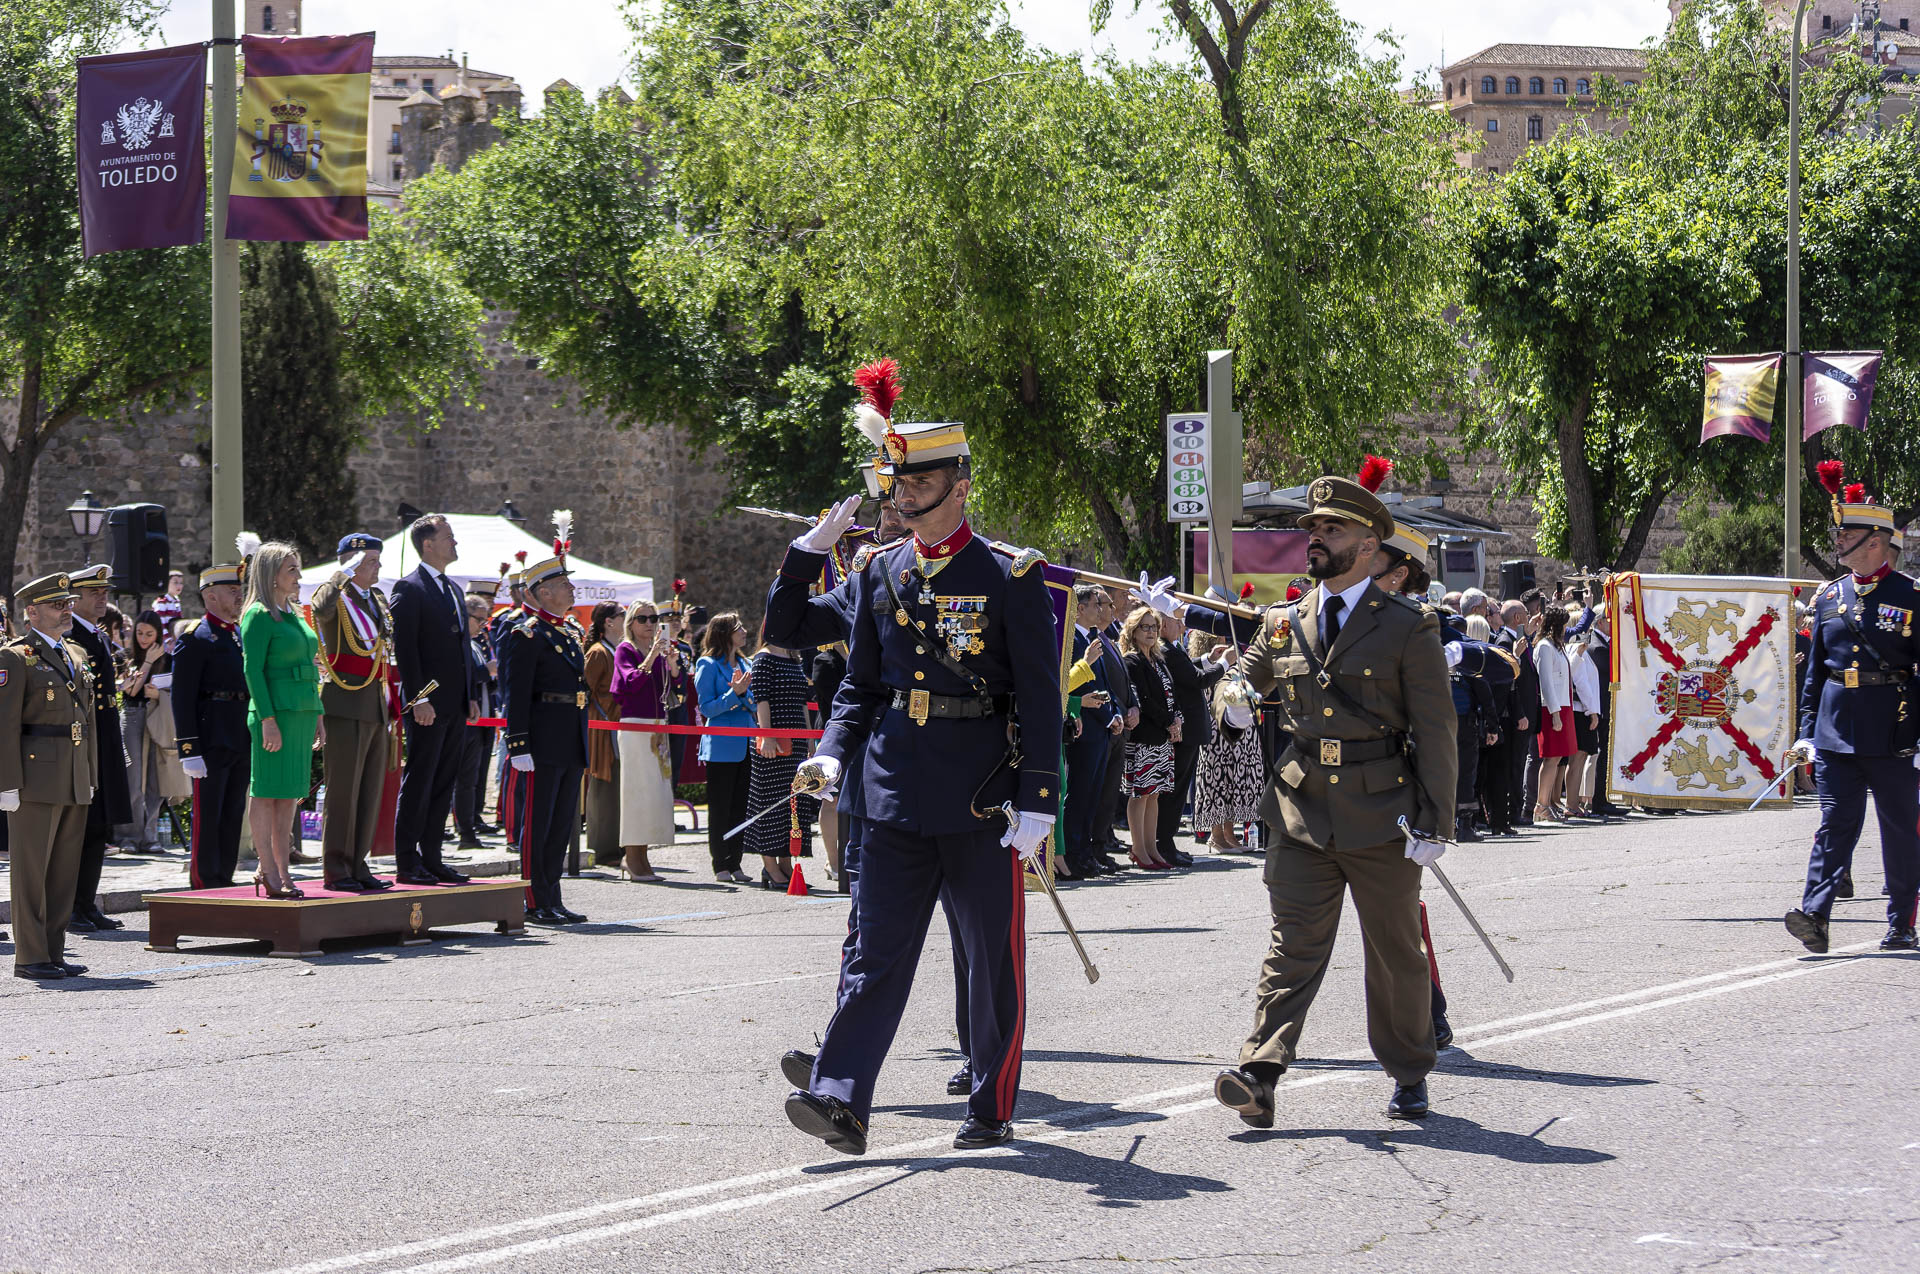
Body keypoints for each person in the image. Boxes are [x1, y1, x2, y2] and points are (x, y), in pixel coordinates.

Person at [782, 408, 1059, 1156]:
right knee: (875, 952)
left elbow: (1039, 695)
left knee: (989, 960)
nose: (904, 497)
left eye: (922, 481)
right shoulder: (880, 570)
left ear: (961, 485)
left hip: (981, 796)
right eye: (896, 482)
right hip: (896, 788)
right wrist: (836, 750)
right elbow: (860, 689)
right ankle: (840, 1098)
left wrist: (1039, 800)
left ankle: (991, 1102)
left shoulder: (1012, 573)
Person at [1210, 474, 1457, 1127]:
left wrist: (1437, 819)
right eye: (1313, 528)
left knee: (1395, 951)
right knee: (1292, 945)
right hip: (1300, 809)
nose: (1315, 538)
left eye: (1332, 529)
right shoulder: (1284, 622)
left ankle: (1409, 1070)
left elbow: (1436, 730)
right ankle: (1260, 1073)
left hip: (1382, 811)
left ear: (1370, 542)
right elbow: (1239, 681)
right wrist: (1230, 701)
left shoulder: (1408, 626)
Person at [1786, 474, 1920, 953]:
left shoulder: (1910, 597)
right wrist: (1805, 732)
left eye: (1846, 534)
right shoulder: (1831, 599)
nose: (1838, 540)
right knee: (1834, 825)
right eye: (1839, 533)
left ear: (1877, 541)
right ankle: (1815, 917)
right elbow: (1816, 675)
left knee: (1899, 830)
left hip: (1892, 731)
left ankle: (1901, 922)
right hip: (1834, 732)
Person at [1, 573, 98, 980]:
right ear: (32, 611)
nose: (67, 611)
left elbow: (88, 721)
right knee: (31, 870)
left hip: (73, 773)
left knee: (62, 870)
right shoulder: (15, 656)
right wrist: (6, 783)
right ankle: (30, 956)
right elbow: (4, 725)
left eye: (68, 603)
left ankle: (54, 951)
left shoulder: (76, 653)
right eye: (58, 605)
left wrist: (90, 773)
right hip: (34, 776)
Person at [502, 552, 591, 925]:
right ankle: (533, 898)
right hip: (541, 739)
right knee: (537, 823)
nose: (572, 589)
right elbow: (515, 693)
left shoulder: (569, 633)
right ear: (544, 591)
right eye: (565, 585)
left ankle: (552, 895)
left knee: (560, 824)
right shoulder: (526, 634)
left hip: (569, 736)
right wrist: (518, 744)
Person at [309, 533, 399, 893]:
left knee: (369, 790)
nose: (377, 568)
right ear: (352, 564)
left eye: (377, 561)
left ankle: (359, 863)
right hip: (345, 703)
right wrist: (339, 574)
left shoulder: (375, 597)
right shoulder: (335, 595)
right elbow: (320, 609)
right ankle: (336, 866)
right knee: (343, 790)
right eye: (370, 562)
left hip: (376, 703)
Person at [390, 514, 478, 886]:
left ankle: (433, 857)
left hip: (455, 703)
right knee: (421, 779)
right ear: (428, 544)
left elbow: (462, 647)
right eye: (449, 537)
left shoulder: (454, 589)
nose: (454, 543)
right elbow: (406, 650)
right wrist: (417, 699)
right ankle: (408, 861)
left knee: (444, 780)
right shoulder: (409, 587)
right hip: (427, 705)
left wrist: (470, 695)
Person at [239, 542, 323, 900]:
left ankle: (282, 869)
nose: (299, 576)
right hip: (275, 714)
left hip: (302, 713)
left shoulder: (293, 614)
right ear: (272, 575)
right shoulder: (258, 615)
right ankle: (268, 870)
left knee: (289, 794)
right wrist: (268, 718)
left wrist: (317, 714)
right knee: (267, 792)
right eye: (291, 569)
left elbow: (311, 669)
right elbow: (253, 671)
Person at [172, 564, 251, 889]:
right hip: (211, 737)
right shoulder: (196, 637)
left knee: (233, 812)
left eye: (239, 590)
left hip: (240, 733)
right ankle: (205, 879)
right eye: (232, 591)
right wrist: (188, 748)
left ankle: (225, 876)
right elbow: (182, 696)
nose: (238, 596)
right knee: (209, 814)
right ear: (210, 596)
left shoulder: (239, 634)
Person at [62, 565, 130, 933]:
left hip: (102, 736)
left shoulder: (97, 635)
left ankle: (86, 903)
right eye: (94, 593)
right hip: (85, 737)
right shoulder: (72, 636)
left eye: (104, 592)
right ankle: (72, 905)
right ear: (74, 600)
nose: (102, 597)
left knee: (98, 826)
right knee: (81, 826)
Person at [611, 599, 678, 883]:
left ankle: (643, 855)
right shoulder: (625, 650)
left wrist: (672, 664)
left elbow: (673, 689)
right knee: (636, 792)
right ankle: (632, 855)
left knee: (655, 793)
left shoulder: (658, 653)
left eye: (653, 619)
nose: (649, 624)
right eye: (642, 619)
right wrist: (651, 656)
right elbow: (628, 684)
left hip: (658, 725)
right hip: (636, 726)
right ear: (631, 624)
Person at [744, 633, 815, 888]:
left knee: (792, 806)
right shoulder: (764, 659)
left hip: (796, 740)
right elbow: (761, 699)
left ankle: (786, 861)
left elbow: (803, 703)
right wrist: (768, 735)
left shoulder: (793, 659)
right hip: (773, 741)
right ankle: (770, 867)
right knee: (771, 803)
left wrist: (809, 738)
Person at [1157, 610, 1222, 867]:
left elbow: (1188, 668)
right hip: (1184, 731)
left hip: (1188, 730)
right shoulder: (1167, 649)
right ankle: (1164, 841)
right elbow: (1196, 680)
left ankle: (1166, 841)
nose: (1181, 624)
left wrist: (1208, 659)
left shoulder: (1171, 648)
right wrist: (1224, 664)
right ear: (1164, 625)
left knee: (1178, 788)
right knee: (1174, 791)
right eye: (1176, 620)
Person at [1064, 585, 1121, 876]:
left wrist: (1117, 713)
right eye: (1095, 604)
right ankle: (1076, 854)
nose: (1100, 610)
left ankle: (1086, 851)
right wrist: (1108, 716)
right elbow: (1082, 686)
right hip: (1083, 727)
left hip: (1101, 728)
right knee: (1080, 793)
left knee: (1093, 795)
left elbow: (1105, 684)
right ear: (1079, 608)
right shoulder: (1071, 639)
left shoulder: (1094, 637)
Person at [694, 612, 755, 883]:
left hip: (746, 743)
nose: (744, 631)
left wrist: (744, 697)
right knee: (720, 807)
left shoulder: (746, 662)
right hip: (720, 747)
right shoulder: (707, 664)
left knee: (740, 807)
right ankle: (720, 863)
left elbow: (755, 702)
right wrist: (735, 695)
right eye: (737, 627)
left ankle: (736, 862)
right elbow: (708, 708)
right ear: (724, 633)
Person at [1190, 628, 1263, 849]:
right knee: (1218, 782)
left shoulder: (1232, 659)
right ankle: (1216, 835)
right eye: (1221, 637)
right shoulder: (1205, 665)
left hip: (1238, 728)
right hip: (1217, 730)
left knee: (1234, 781)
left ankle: (1229, 834)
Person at [1120, 605, 1181, 869]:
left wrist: (1177, 718)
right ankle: (1138, 849)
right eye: (1144, 627)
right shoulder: (1133, 661)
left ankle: (1152, 848)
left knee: (1154, 794)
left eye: (1154, 627)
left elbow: (1170, 697)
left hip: (1162, 738)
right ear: (1133, 632)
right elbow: (1143, 699)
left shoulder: (1158, 660)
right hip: (1144, 737)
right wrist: (1169, 722)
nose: (1151, 632)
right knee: (1140, 794)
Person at [116, 610, 178, 855]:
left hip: (158, 716)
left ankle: (150, 836)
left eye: (149, 634)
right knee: (133, 780)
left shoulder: (170, 659)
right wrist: (149, 662)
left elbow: (176, 689)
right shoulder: (125, 657)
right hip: (132, 717)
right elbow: (130, 691)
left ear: (158, 634)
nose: (143, 638)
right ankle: (128, 836)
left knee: (156, 779)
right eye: (139, 633)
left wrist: (160, 695)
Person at [455, 585, 501, 847]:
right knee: (463, 781)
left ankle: (470, 826)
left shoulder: (474, 644)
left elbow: (481, 684)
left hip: (482, 719)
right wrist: (488, 670)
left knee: (473, 779)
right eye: (479, 619)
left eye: (486, 620)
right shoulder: (458, 645)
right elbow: (466, 679)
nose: (484, 625)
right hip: (466, 721)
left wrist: (495, 677)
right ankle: (464, 831)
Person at [582, 601, 624, 868]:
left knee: (617, 789)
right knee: (603, 788)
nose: (626, 618)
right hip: (603, 726)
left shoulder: (618, 650)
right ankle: (602, 849)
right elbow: (585, 690)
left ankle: (614, 847)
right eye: (622, 615)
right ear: (608, 621)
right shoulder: (598, 653)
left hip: (619, 725)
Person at [1531, 606, 1575, 821]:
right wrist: (1555, 712)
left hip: (1563, 706)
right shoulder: (1545, 647)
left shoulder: (1556, 647)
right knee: (1550, 758)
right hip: (1553, 708)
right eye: (1564, 624)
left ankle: (1546, 803)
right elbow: (1546, 682)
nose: (1566, 629)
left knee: (1557, 757)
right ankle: (1541, 804)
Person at [152, 569, 185, 635]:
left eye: (181, 583)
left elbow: (179, 619)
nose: (179, 586)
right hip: (164, 637)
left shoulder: (177, 601)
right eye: (175, 582)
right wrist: (167, 639)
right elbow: (160, 622)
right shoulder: (162, 601)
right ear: (167, 583)